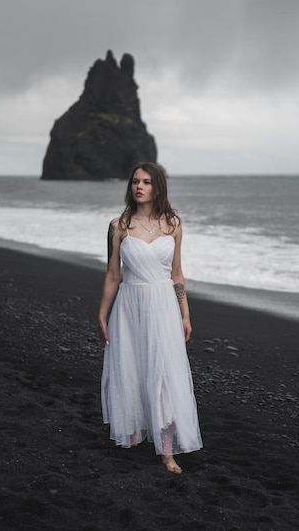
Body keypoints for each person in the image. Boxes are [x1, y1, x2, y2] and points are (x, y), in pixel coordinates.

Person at [98, 162, 202, 473]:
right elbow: (113, 275)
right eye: (134, 182)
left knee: (166, 374)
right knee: (129, 367)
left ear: (157, 187)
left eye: (146, 182)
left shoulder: (173, 224)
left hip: (163, 306)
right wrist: (102, 314)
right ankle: (132, 432)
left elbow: (177, 274)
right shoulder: (119, 225)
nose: (139, 187)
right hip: (129, 304)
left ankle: (167, 452)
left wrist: (185, 313)